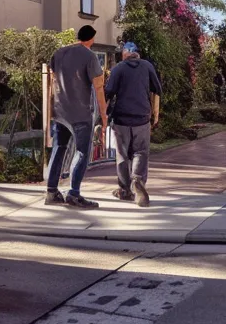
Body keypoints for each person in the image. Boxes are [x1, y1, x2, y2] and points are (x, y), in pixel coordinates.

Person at [47, 24, 108, 209]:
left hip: (59, 112)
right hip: (81, 113)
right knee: (81, 152)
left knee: (59, 148)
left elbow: (52, 82)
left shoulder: (58, 53)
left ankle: (51, 192)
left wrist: (51, 109)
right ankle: (73, 194)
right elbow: (98, 87)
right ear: (91, 39)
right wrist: (103, 116)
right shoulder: (90, 56)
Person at [105, 42, 162, 207]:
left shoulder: (118, 69)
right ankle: (137, 180)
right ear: (137, 54)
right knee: (140, 152)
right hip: (142, 118)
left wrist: (103, 116)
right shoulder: (147, 66)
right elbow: (157, 89)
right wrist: (155, 115)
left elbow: (108, 93)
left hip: (121, 119)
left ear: (124, 54)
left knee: (122, 154)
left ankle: (125, 190)